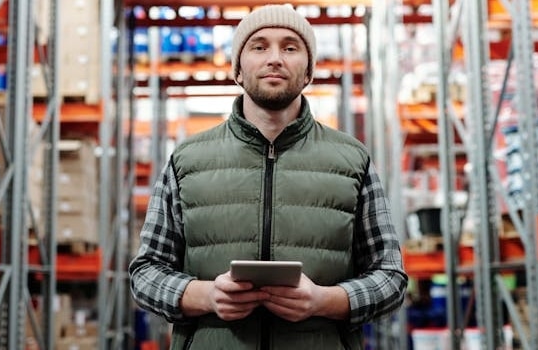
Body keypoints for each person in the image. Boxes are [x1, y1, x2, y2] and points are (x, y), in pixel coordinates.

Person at [129, 4, 408, 349]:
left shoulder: (353, 160)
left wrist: (325, 300)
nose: (274, 58)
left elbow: (391, 277)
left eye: (290, 47)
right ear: (238, 70)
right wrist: (205, 295)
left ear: (307, 72)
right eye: (259, 46)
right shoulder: (187, 160)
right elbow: (145, 273)